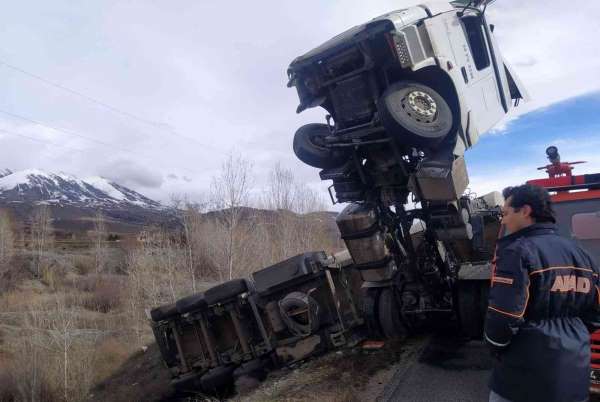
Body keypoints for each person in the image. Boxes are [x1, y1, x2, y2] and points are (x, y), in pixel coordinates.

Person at [484, 184, 599, 402]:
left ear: (525, 211)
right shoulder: (582, 255)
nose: (502, 220)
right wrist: (572, 335)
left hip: (524, 375)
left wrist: (496, 348)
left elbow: (503, 317)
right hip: (574, 375)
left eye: (506, 213)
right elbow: (596, 312)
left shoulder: (517, 252)